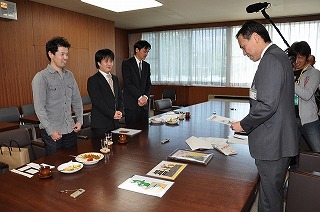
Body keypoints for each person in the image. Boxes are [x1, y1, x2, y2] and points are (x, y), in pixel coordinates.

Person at [230, 21, 298, 212]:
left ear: (256, 37)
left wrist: (244, 124)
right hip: (278, 140)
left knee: (269, 200)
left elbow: (267, 104)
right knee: (271, 194)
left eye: (244, 46)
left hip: (272, 144)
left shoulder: (271, 60)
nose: (244, 52)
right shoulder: (279, 56)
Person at [32, 36, 83, 155]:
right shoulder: (41, 77)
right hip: (53, 133)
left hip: (70, 130)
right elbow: (39, 108)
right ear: (51, 54)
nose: (65, 58)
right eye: (62, 54)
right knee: (56, 167)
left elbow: (77, 100)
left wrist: (79, 120)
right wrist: (50, 131)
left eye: (67, 54)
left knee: (73, 164)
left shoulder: (70, 75)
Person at [288, 41, 320, 152]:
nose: (296, 61)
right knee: (291, 152)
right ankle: (292, 169)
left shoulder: (314, 73)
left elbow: (306, 95)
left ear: (307, 57)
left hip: (309, 120)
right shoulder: (288, 72)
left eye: (300, 57)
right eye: (294, 57)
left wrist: (290, 81)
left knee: (318, 150)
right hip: (291, 119)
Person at [87, 49, 123, 138]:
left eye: (111, 61)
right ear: (98, 63)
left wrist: (120, 111)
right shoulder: (93, 80)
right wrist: (112, 113)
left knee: (116, 150)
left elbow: (119, 98)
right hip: (101, 124)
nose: (109, 64)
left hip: (115, 123)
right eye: (106, 61)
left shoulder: (115, 78)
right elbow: (97, 102)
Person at [122, 40, 152, 124]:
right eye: (144, 51)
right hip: (132, 104)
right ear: (137, 50)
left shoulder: (147, 65)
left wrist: (145, 97)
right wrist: (139, 97)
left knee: (144, 131)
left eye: (147, 52)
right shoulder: (127, 63)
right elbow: (128, 83)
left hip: (144, 105)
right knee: (132, 131)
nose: (146, 54)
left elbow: (148, 84)